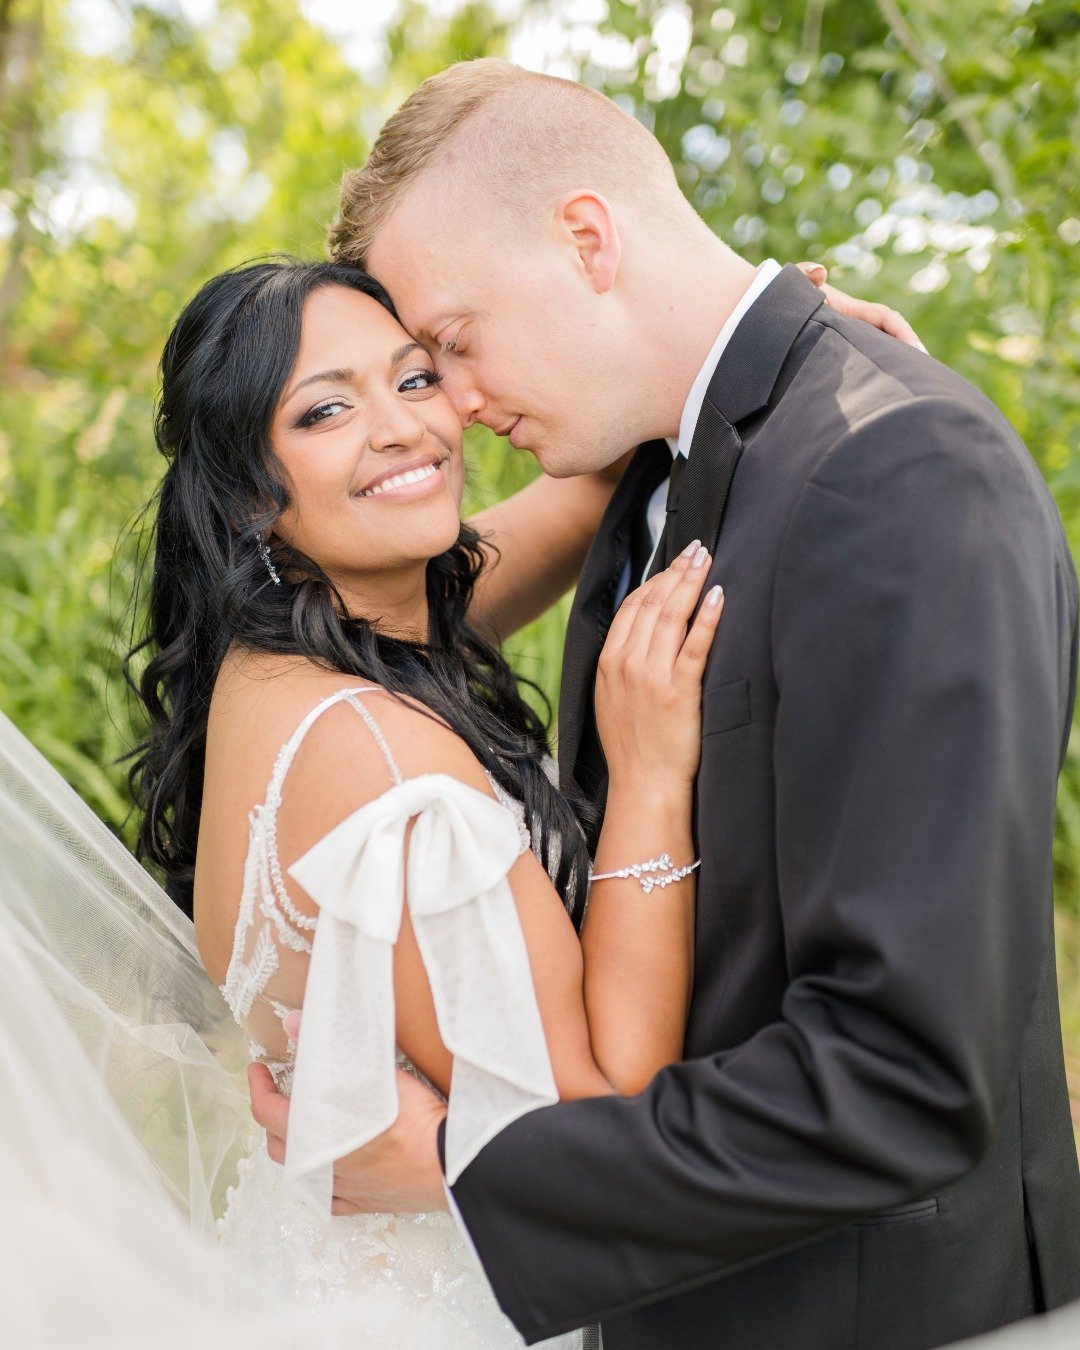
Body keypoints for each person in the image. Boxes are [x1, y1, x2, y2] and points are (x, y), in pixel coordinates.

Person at [250, 59, 1080, 1349]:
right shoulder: (646, 464)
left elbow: (905, 1079)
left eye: (453, 347)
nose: (454, 408)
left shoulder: (898, 472)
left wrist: (476, 1172)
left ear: (587, 237)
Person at [0, 248, 898, 1347]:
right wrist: (651, 780)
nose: (402, 430)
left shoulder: (278, 666)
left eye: (416, 378)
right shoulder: (388, 771)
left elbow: (568, 501)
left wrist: (741, 336)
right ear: (245, 489)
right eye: (326, 410)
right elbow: (604, 1110)